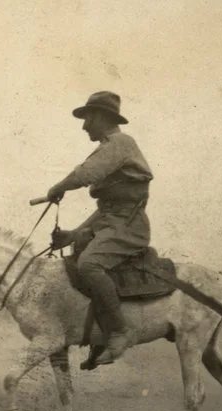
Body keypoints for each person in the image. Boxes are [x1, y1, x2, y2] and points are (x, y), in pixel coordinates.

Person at [47, 91, 153, 365]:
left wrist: (59, 187)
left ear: (103, 117)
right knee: (76, 261)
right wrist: (74, 234)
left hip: (128, 226)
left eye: (88, 118)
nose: (84, 126)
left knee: (89, 266)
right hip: (111, 222)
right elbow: (103, 210)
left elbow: (86, 174)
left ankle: (120, 331)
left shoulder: (121, 143)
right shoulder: (111, 146)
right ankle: (101, 333)